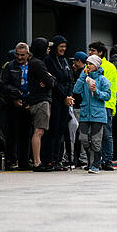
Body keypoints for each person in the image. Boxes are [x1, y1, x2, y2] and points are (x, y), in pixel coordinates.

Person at [72, 55, 112, 173]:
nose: (88, 66)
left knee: (96, 140)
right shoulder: (85, 78)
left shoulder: (103, 80)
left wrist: (97, 92)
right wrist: (82, 75)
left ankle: (95, 164)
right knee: (83, 138)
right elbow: (76, 90)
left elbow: (107, 96)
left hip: (98, 114)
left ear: (96, 65)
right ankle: (91, 160)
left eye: (90, 64)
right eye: (87, 64)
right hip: (85, 113)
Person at [27, 38, 58, 172]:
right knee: (39, 131)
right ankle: (37, 162)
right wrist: (50, 78)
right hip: (40, 100)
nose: (48, 49)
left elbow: (50, 80)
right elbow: (50, 81)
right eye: (46, 47)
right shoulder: (38, 63)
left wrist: (50, 78)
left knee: (39, 131)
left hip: (37, 99)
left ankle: (37, 161)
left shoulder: (36, 62)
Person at [0, 43, 33, 170]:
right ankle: (11, 161)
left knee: (26, 134)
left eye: (22, 55)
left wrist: (30, 101)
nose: (19, 57)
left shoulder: (33, 65)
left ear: (28, 54)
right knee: (12, 133)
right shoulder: (9, 66)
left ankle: (24, 161)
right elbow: (4, 84)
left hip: (28, 103)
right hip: (13, 104)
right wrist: (14, 97)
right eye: (17, 55)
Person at [45, 36, 75, 171]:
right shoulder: (49, 61)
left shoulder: (65, 61)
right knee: (53, 130)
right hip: (55, 99)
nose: (63, 49)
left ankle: (58, 159)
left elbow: (70, 80)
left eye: (65, 46)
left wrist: (69, 96)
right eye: (60, 46)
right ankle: (50, 159)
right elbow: (53, 81)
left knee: (61, 131)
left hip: (65, 100)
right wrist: (64, 96)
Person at [87, 42, 117, 171]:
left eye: (92, 51)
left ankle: (107, 160)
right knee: (91, 135)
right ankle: (94, 161)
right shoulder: (88, 66)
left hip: (105, 104)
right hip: (91, 105)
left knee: (106, 135)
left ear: (100, 53)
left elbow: (107, 88)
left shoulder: (109, 67)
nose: (90, 53)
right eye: (89, 50)